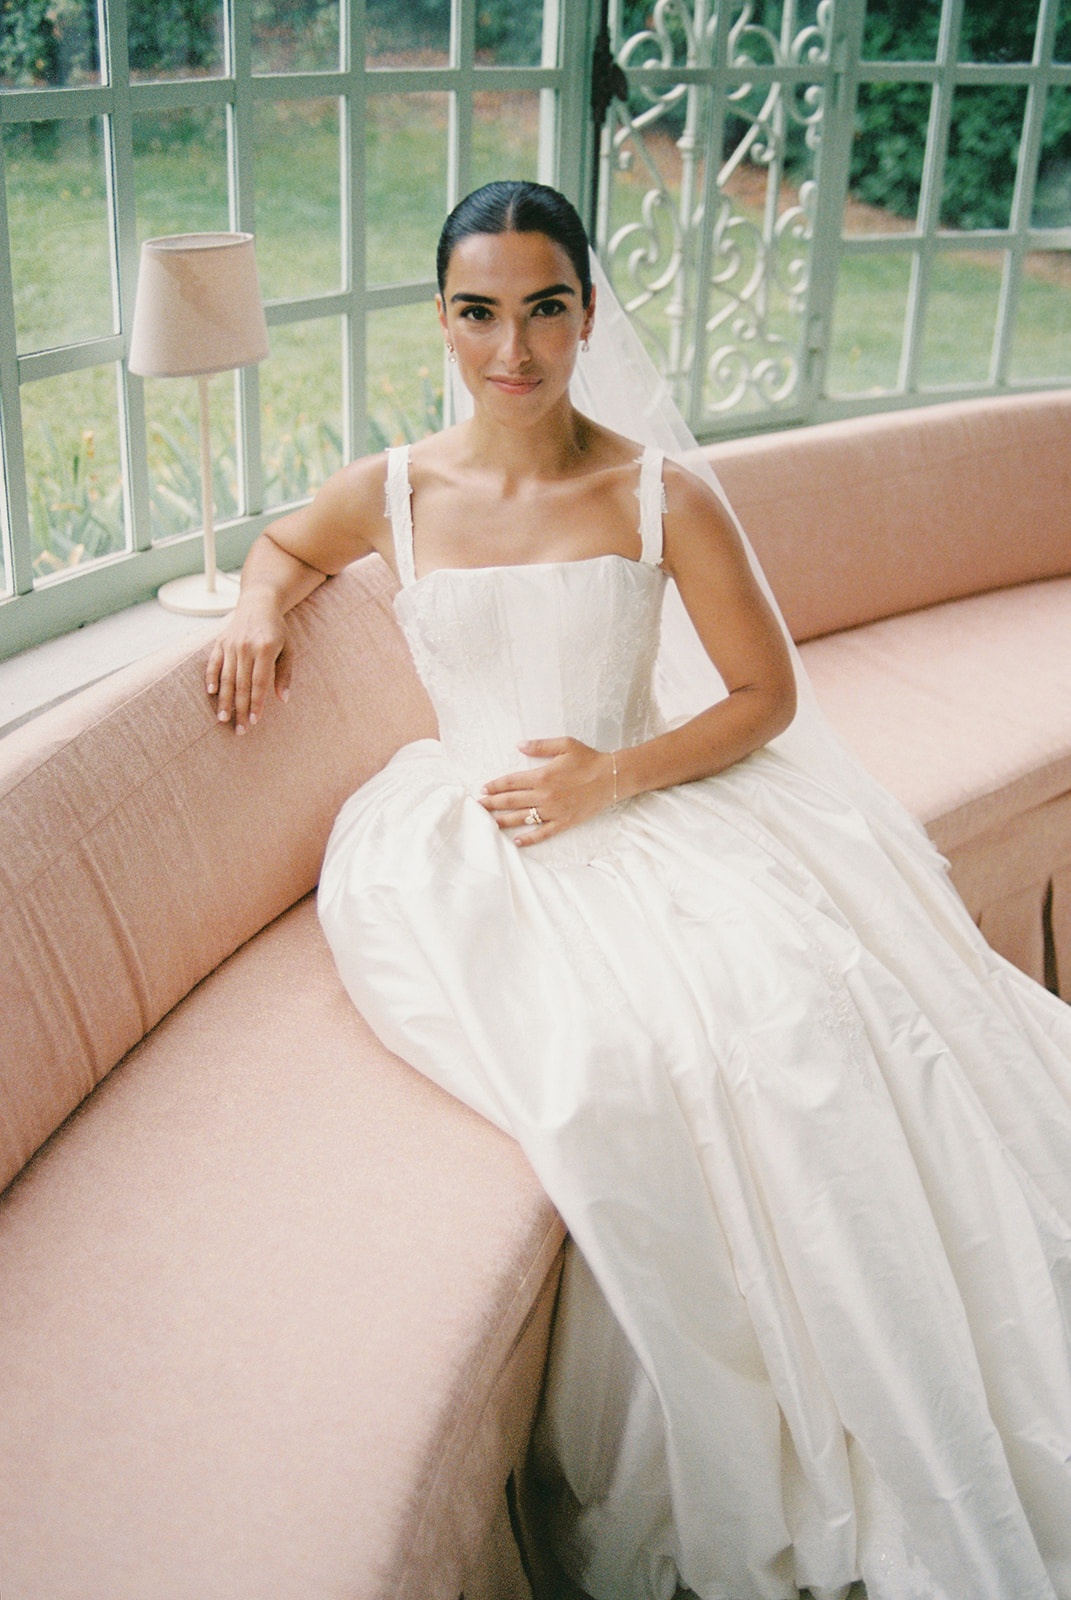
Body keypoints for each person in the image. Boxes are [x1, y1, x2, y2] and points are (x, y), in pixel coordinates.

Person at [206, 181, 1071, 1600]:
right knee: (612, 1075)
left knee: (796, 1031)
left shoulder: (659, 492)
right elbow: (290, 546)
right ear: (442, 319)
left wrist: (610, 777)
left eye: (546, 309)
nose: (514, 349)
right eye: (480, 312)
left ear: (589, 317)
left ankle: (874, 1377)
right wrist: (254, 605)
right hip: (467, 841)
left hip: (648, 800)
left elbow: (764, 696)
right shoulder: (395, 490)